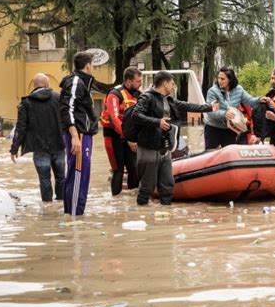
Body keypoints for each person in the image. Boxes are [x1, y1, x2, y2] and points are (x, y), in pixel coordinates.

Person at [130, 71, 218, 206]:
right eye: (171, 83)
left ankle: (166, 213)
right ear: (165, 83)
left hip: (165, 147)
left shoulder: (170, 100)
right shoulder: (146, 98)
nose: (173, 85)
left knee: (167, 183)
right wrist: (157, 122)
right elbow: (136, 115)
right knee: (147, 185)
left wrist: (209, 107)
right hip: (149, 146)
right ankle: (142, 213)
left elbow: (189, 106)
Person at [10, 73, 65, 203]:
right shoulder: (58, 98)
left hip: (39, 147)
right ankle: (61, 205)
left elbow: (21, 128)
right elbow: (67, 120)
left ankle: (47, 208)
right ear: (47, 85)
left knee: (44, 179)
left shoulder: (26, 103)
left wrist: (14, 149)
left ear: (34, 86)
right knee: (61, 177)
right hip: (59, 144)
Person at [60, 51, 99, 216]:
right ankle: (75, 216)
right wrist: (75, 136)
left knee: (77, 174)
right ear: (88, 66)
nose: (94, 68)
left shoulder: (82, 82)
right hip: (79, 135)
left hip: (84, 134)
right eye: (93, 65)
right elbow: (67, 108)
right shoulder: (76, 81)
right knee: (78, 175)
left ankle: (72, 214)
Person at [100, 66, 142, 196]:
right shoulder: (114, 94)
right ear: (129, 81)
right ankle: (116, 202)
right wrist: (127, 137)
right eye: (138, 81)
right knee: (118, 170)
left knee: (133, 169)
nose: (140, 84)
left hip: (130, 138)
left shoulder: (138, 95)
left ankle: (131, 202)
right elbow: (114, 118)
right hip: (114, 137)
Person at [204, 66, 262, 149]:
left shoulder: (239, 89)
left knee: (230, 155)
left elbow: (250, 101)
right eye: (218, 78)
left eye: (222, 79)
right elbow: (211, 111)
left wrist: (260, 99)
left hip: (230, 129)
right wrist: (224, 114)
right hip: (213, 128)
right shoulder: (212, 91)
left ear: (230, 79)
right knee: (210, 155)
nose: (219, 81)